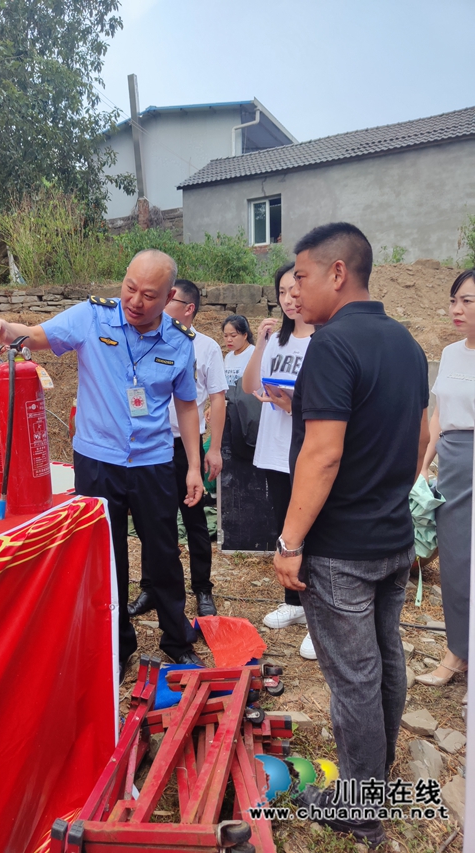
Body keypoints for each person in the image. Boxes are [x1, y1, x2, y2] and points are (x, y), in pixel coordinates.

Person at [0, 249, 206, 681]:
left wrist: (193, 465)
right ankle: (117, 646)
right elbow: (36, 334)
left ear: (169, 296)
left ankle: (177, 640)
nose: (135, 300)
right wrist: (4, 328)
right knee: (106, 557)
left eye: (149, 295)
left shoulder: (179, 341)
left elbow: (186, 405)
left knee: (164, 554)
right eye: (129, 287)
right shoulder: (91, 318)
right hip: (98, 460)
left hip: (153, 461)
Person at [272, 223, 429, 848]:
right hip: (392, 539)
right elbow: (420, 439)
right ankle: (376, 785)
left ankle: (360, 808)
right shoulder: (407, 345)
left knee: (354, 680)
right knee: (387, 661)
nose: (296, 290)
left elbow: (322, 455)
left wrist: (288, 543)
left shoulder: (332, 347)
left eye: (303, 276)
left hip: (340, 550)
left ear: (339, 272)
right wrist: (387, 498)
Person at [128, 279, 228, 619]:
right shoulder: (145, 340)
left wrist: (212, 449)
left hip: (186, 447)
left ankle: (202, 589)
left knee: (195, 521)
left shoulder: (206, 347)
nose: (161, 308)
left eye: (170, 303)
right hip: (150, 445)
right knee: (153, 521)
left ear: (188, 309)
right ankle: (151, 588)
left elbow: (217, 398)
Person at [241, 262, 316, 660]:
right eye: (282, 292)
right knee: (284, 529)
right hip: (274, 450)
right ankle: (295, 603)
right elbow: (250, 386)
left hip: (306, 451)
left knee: (314, 533)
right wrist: (261, 342)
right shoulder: (277, 341)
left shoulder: (323, 340)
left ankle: (320, 616)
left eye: (295, 290)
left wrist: (293, 406)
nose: (289, 299)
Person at [417, 268, 475, 693]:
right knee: (455, 563)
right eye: (454, 300)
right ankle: (457, 652)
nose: (456, 309)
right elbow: (438, 415)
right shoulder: (453, 354)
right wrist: (423, 464)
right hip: (454, 465)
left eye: (467, 302)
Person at [222, 315, 255, 387]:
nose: (229, 340)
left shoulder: (254, 353)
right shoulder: (228, 357)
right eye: (225, 336)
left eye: (233, 336)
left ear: (245, 335)